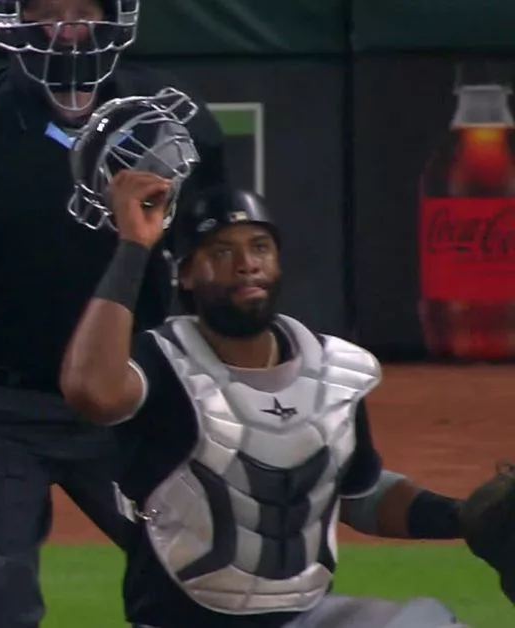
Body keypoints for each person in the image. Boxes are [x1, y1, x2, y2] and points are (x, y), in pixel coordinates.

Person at [0, 0, 228, 625]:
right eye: (46, 10)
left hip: (132, 397)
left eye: (83, 8)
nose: (67, 28)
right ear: (14, 17)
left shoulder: (178, 126)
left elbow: (214, 272)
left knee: (212, 580)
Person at [59, 179, 480, 628]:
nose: (246, 264)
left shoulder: (333, 372)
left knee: (429, 623)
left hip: (304, 618)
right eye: (221, 252)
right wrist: (133, 248)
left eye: (259, 247)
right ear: (185, 272)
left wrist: (467, 516)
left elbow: (359, 493)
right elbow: (91, 391)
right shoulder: (162, 365)